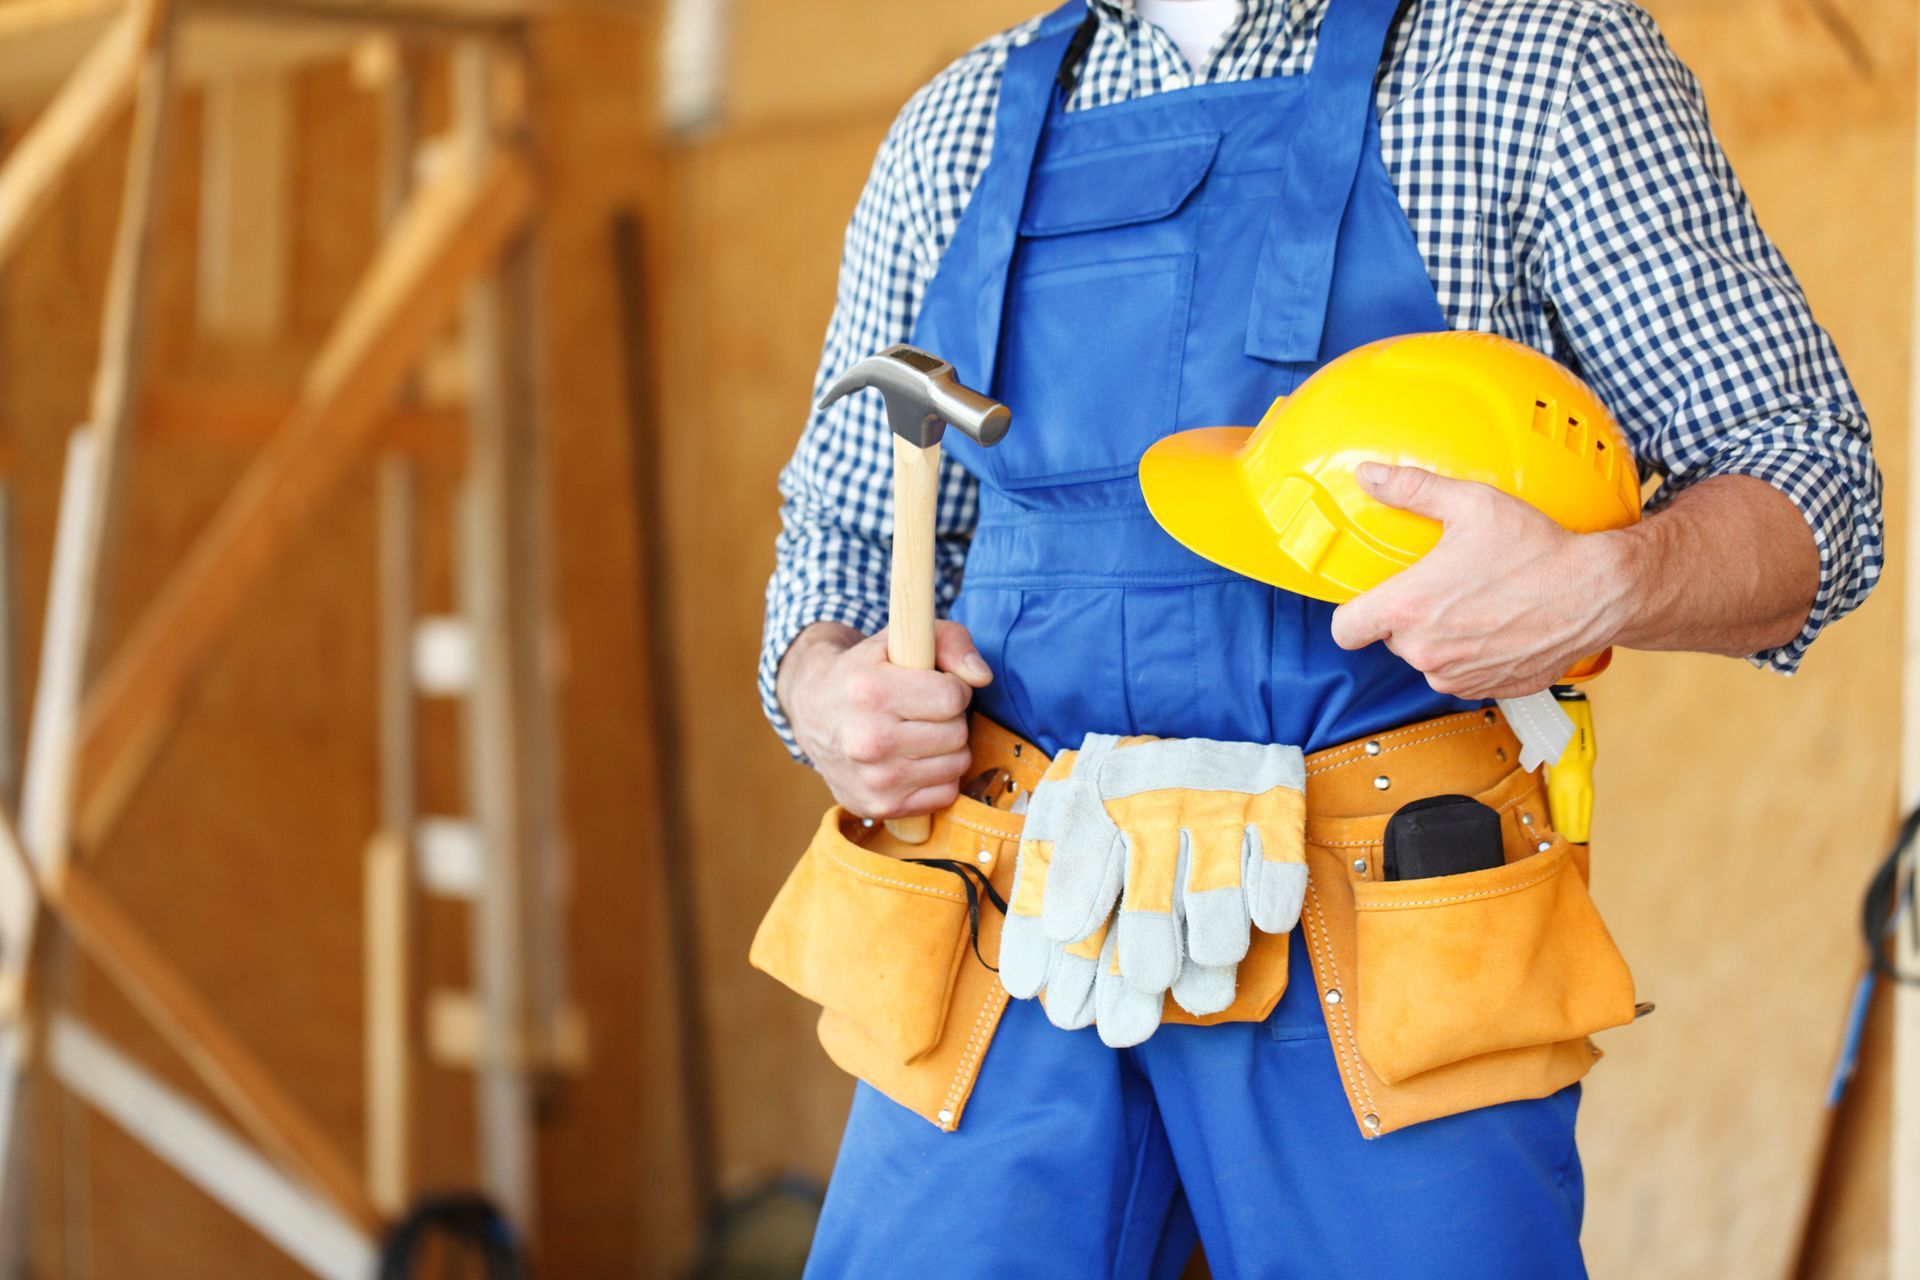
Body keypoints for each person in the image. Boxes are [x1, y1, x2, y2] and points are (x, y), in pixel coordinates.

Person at [760, 1, 1883, 1276]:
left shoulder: (1536, 60)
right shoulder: (953, 128)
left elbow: (1811, 487)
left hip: (1396, 922)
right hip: (1012, 921)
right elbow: (840, 543)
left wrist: (1609, 579)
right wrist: (826, 688)